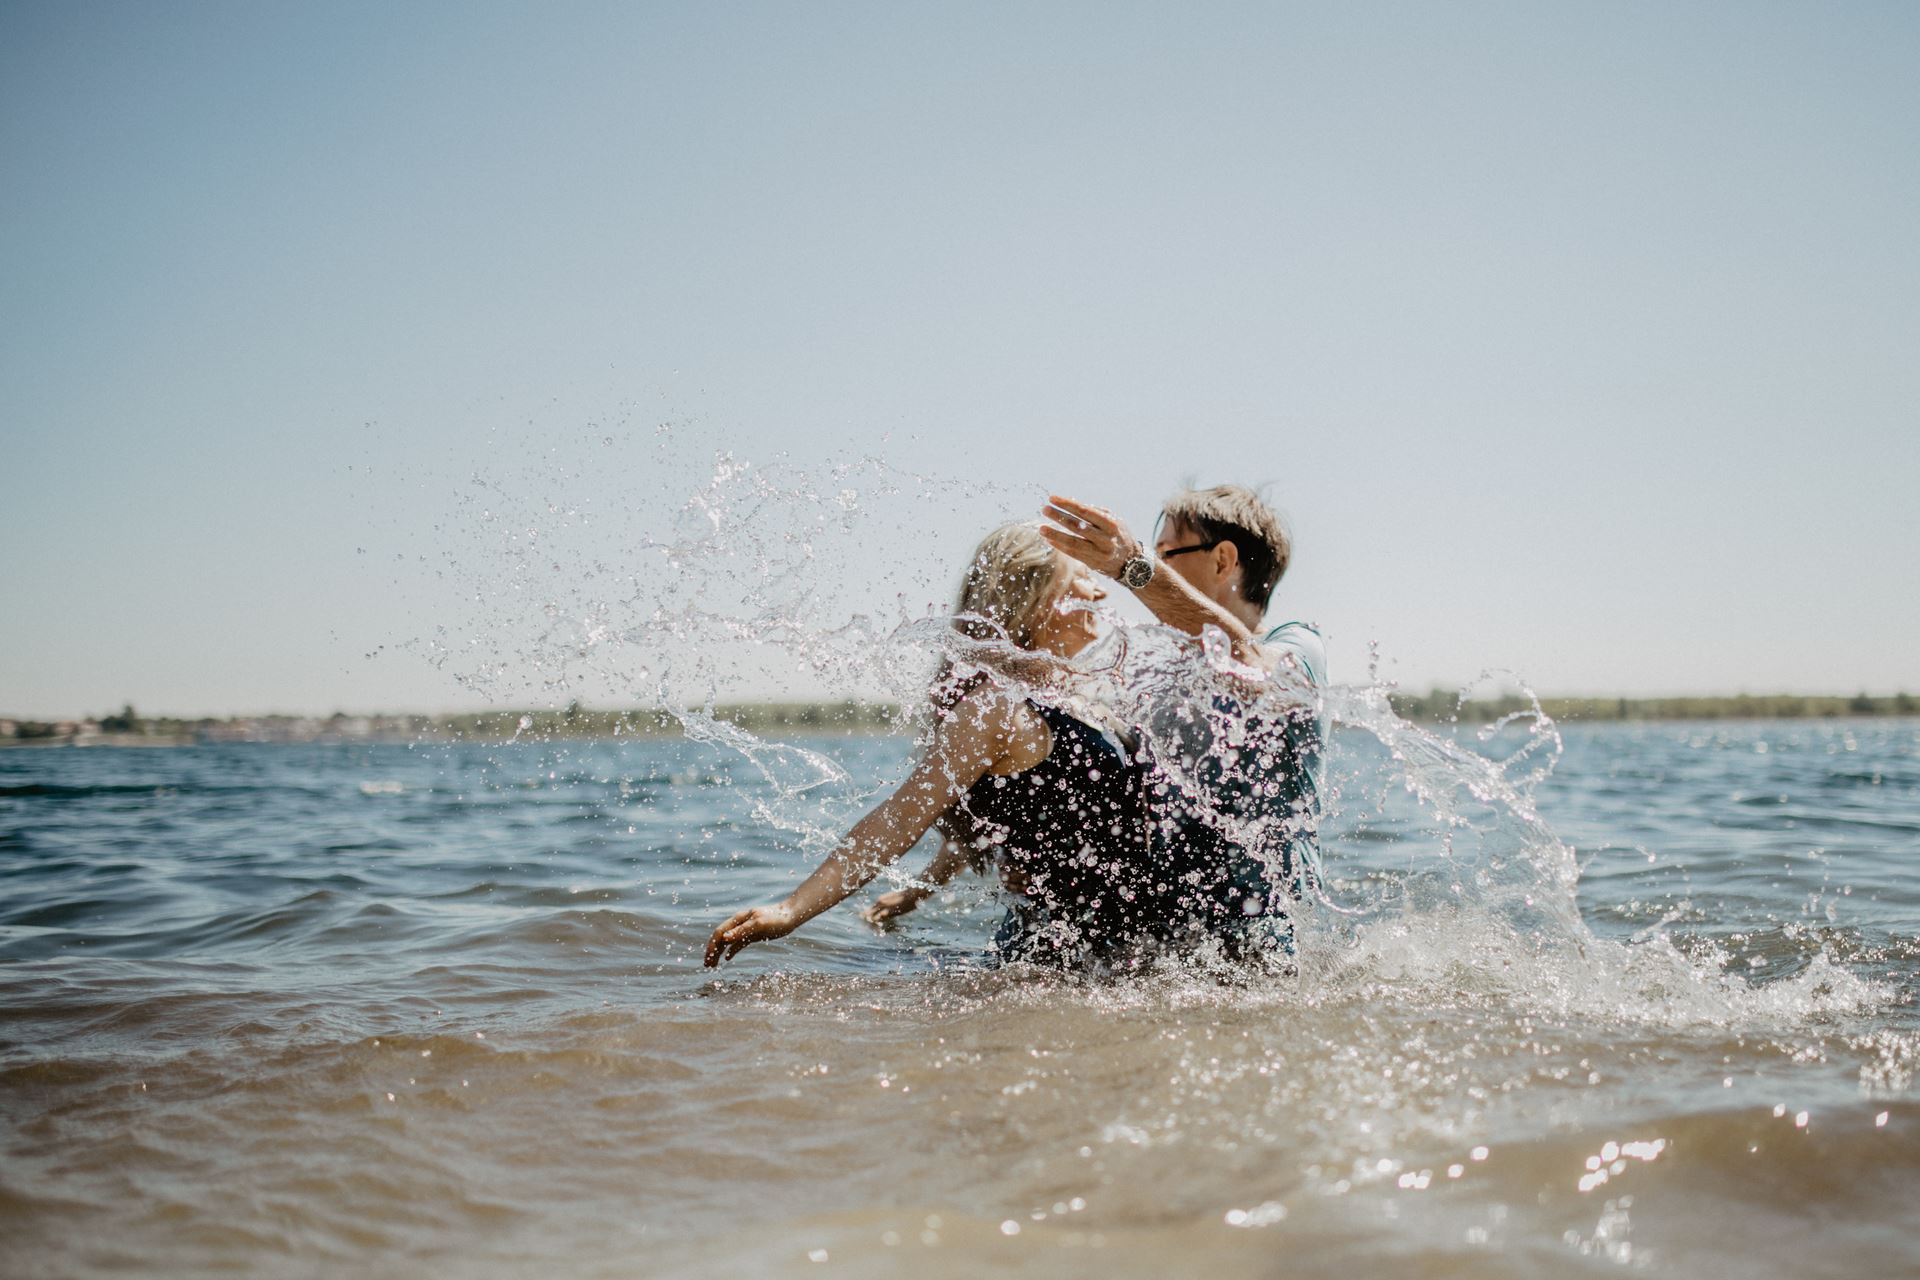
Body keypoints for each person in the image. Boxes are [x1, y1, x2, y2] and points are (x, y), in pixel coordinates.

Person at [704, 523, 1157, 969]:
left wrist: (919, 891)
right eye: (1082, 582)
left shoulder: (1069, 694)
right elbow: (903, 815)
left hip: (1122, 947)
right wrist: (791, 910)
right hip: (1068, 962)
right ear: (1034, 601)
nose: (1101, 595)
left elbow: (1008, 818)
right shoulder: (996, 708)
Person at [1037, 485, 1325, 957]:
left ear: (1222, 560)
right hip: (1167, 937)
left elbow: (1248, 665)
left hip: (1263, 936)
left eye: (1166, 553)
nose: (1158, 568)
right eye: (1154, 557)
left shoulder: (1296, 645)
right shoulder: (1163, 669)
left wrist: (1133, 567)